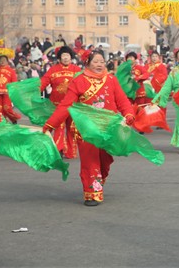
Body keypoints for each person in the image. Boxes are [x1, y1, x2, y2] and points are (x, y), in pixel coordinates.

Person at [43, 51, 135, 206]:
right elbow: (66, 105)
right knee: (90, 160)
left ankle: (98, 180)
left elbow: (122, 101)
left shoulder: (111, 80)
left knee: (105, 160)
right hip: (86, 129)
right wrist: (50, 124)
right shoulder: (79, 81)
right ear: (88, 63)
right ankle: (92, 193)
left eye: (102, 61)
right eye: (96, 61)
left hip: (108, 128)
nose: (99, 65)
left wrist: (129, 114)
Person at [39, 46, 81, 158]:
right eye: (63, 55)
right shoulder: (53, 70)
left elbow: (83, 85)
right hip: (57, 105)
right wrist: (36, 91)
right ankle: (59, 149)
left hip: (73, 105)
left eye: (68, 55)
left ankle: (70, 152)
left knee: (72, 128)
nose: (66, 58)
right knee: (59, 127)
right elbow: (43, 82)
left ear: (71, 57)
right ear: (59, 58)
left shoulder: (77, 70)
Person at [0, 55, 21, 124]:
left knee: (7, 108)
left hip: (7, 93)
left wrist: (14, 92)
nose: (2, 61)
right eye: (0, 60)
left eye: (4, 60)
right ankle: (1, 123)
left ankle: (13, 118)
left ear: (7, 62)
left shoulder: (11, 71)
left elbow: (14, 83)